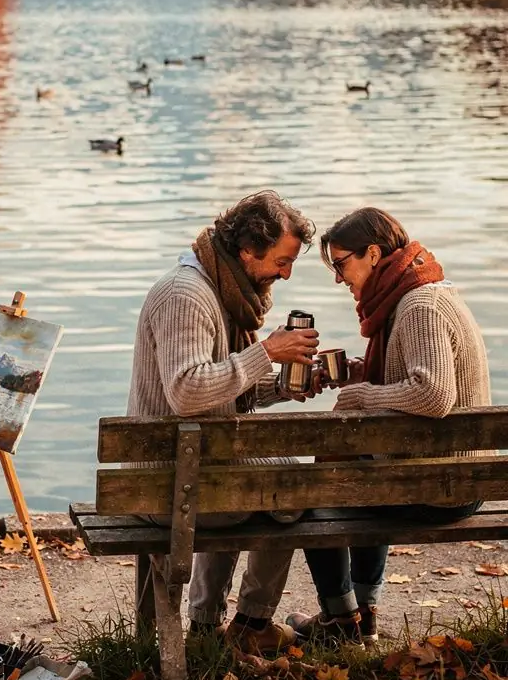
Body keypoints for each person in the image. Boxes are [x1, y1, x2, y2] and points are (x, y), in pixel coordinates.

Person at [287, 208, 491, 647]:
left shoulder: (418, 306)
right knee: (349, 463)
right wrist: (363, 374)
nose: (339, 278)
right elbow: (420, 382)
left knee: (313, 491)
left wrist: (362, 396)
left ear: (374, 254)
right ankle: (363, 613)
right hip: (454, 475)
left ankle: (342, 621)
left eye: (341, 263)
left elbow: (432, 393)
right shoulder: (419, 292)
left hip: (442, 488)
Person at [127, 190, 319, 654]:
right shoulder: (186, 296)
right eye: (281, 260)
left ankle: (208, 624)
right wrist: (267, 351)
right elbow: (188, 390)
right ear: (248, 249)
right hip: (167, 482)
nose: (286, 273)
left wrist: (284, 387)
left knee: (265, 477)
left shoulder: (221, 291)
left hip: (193, 467)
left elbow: (227, 390)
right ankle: (251, 626)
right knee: (293, 488)